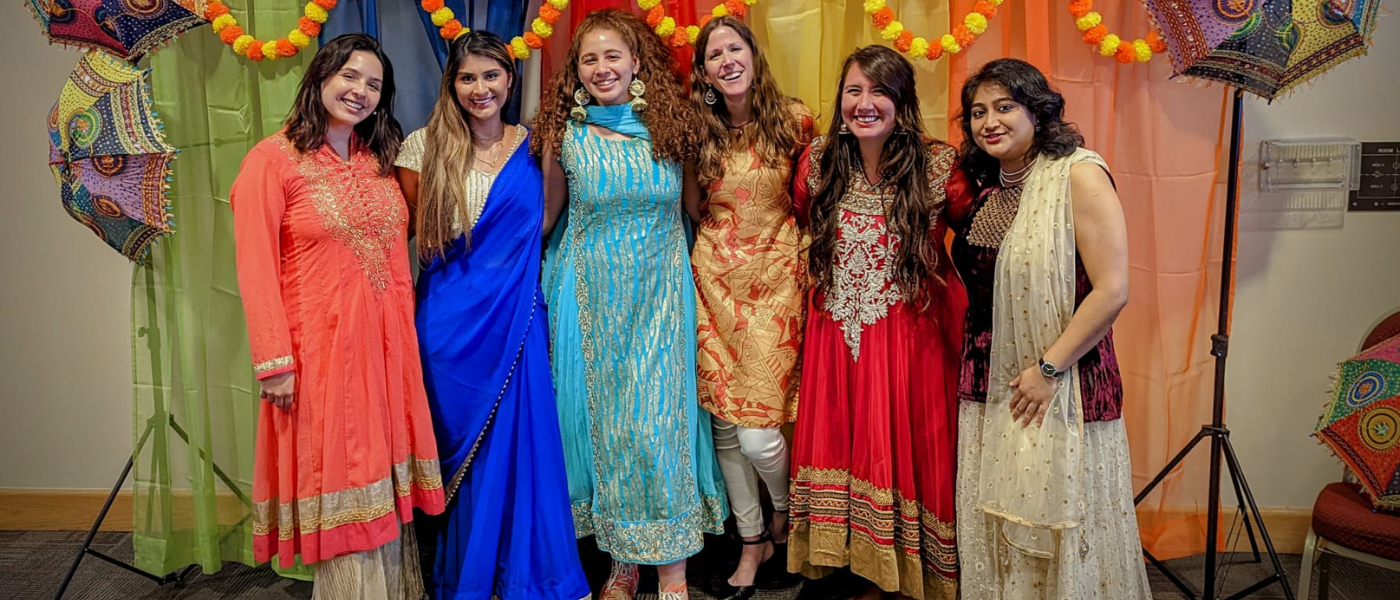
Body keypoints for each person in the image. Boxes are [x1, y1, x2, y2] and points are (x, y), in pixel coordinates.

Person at [229, 33, 444, 599]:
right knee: (343, 475)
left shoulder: (376, 162)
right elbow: (254, 267)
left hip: (386, 349)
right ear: (321, 76)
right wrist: (274, 361)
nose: (360, 91)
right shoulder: (271, 162)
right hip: (318, 356)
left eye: (374, 84)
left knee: (379, 482)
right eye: (350, 76)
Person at [530, 9, 727, 600]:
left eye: (612, 56)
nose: (601, 68)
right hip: (588, 299)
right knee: (602, 429)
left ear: (637, 62)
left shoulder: (673, 129)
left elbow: (696, 212)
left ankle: (673, 573)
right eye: (589, 59)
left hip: (661, 297)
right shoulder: (565, 133)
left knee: (656, 426)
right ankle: (623, 563)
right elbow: (546, 217)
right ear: (577, 70)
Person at [394, 31, 589, 600]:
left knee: (520, 445)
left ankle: (521, 572)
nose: (481, 89)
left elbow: (547, 222)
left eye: (491, 76)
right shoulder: (422, 147)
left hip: (516, 319)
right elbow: (414, 236)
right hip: (448, 326)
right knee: (468, 453)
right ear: (451, 85)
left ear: (509, 78)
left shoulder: (537, 146)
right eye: (467, 78)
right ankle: (471, 571)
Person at [951, 57, 1152, 600]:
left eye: (1004, 107)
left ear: (1037, 111)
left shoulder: (1079, 175)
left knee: (1064, 527)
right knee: (999, 524)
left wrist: (1046, 369)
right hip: (990, 384)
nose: (989, 121)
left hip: (1063, 386)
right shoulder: (988, 190)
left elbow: (1112, 290)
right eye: (977, 112)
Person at [786, 45, 969, 600]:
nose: (865, 104)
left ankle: (901, 570)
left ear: (903, 101)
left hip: (910, 336)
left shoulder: (939, 165)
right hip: (836, 330)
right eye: (854, 91)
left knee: (907, 445)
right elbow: (800, 214)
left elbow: (981, 230)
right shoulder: (817, 159)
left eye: (880, 92)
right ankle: (839, 559)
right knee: (838, 442)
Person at [687, 15, 814, 600]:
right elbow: (692, 206)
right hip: (713, 282)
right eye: (714, 54)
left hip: (776, 283)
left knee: (761, 434)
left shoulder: (795, 120)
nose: (726, 60)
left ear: (752, 55)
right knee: (725, 428)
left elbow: (813, 199)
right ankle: (751, 538)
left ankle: (786, 519)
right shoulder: (697, 131)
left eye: (734, 48)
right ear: (704, 70)